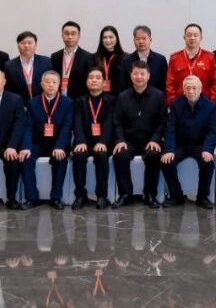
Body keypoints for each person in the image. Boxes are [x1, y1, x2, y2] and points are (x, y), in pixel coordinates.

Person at [113, 61, 167, 208]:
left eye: (142, 74)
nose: (139, 77)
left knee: (154, 155)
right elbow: (117, 122)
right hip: (128, 140)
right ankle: (126, 194)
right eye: (136, 73)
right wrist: (120, 140)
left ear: (148, 76)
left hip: (150, 140)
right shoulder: (122, 96)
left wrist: (156, 139)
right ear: (131, 76)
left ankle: (149, 194)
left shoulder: (159, 96)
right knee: (120, 155)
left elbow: (163, 122)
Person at [161, 75, 216, 209]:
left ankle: (202, 197)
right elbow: (170, 129)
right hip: (181, 144)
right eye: (188, 88)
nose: (191, 91)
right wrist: (169, 150)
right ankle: (176, 196)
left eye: (194, 88)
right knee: (166, 161)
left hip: (200, 145)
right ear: (183, 90)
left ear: (200, 89)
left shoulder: (210, 106)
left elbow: (213, 131)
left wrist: (207, 149)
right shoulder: (175, 104)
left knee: (208, 163)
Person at [20, 70, 74, 210]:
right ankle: (32, 197)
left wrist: (60, 146)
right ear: (42, 84)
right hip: (38, 142)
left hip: (58, 143)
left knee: (60, 158)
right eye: (48, 82)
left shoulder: (68, 103)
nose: (51, 85)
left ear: (59, 84)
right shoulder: (33, 102)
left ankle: (56, 198)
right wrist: (26, 147)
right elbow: (28, 127)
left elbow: (67, 127)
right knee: (26, 158)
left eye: (54, 82)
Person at [71, 67, 115, 210]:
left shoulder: (111, 100)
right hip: (85, 141)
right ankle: (80, 195)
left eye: (98, 77)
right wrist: (80, 141)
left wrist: (102, 141)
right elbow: (77, 122)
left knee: (101, 155)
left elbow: (109, 123)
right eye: (91, 77)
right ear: (86, 81)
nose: (94, 80)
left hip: (104, 141)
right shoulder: (79, 101)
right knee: (78, 155)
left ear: (104, 82)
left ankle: (102, 196)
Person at [166, 23, 216, 104]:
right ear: (184, 37)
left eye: (195, 35)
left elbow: (214, 83)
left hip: (204, 103)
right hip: (180, 103)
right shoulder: (175, 58)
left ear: (201, 38)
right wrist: (173, 103)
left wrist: (212, 103)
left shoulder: (209, 57)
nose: (192, 38)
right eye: (189, 35)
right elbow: (169, 84)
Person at [0, 70, 28, 209]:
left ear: (4, 81)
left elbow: (19, 124)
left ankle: (11, 198)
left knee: (13, 162)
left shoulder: (15, 99)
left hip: (7, 144)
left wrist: (11, 146)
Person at [4, 31, 53, 103]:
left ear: (35, 45)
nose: (26, 45)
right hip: (20, 104)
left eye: (29, 43)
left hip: (42, 103)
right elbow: (8, 89)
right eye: (23, 43)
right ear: (18, 46)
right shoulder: (9, 65)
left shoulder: (46, 62)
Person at [51, 21, 94, 100]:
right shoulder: (55, 56)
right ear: (62, 35)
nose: (69, 37)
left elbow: (89, 81)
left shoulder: (88, 57)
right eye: (66, 33)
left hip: (79, 100)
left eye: (73, 34)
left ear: (79, 36)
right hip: (58, 100)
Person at [120, 25, 168, 93]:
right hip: (132, 98)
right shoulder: (126, 61)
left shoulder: (160, 60)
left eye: (144, 38)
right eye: (138, 39)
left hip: (155, 98)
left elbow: (164, 84)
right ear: (134, 41)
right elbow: (122, 86)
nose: (141, 41)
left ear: (150, 40)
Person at [93, 25, 126, 96]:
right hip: (99, 97)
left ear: (116, 38)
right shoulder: (94, 57)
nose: (108, 40)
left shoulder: (125, 58)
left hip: (119, 97)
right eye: (105, 37)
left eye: (111, 37)